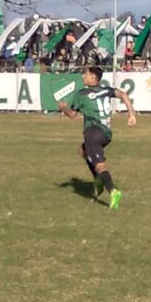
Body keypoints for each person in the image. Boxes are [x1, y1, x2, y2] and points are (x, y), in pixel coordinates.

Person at [56, 66, 137, 210]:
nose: (83, 77)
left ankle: (113, 191)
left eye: (86, 75)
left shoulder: (82, 94)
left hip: (93, 133)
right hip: (106, 133)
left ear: (93, 77)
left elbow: (73, 115)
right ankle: (98, 179)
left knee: (99, 164)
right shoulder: (106, 90)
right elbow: (124, 94)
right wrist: (131, 115)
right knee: (83, 151)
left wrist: (63, 108)